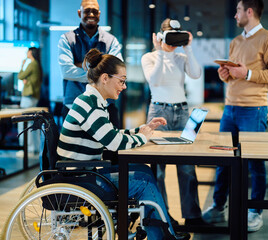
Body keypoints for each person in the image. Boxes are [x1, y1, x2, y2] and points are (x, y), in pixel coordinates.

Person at [57, 48, 190, 240]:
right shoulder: (90, 104)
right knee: (144, 183)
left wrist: (141, 130)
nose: (124, 86)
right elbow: (113, 143)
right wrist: (143, 138)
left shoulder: (94, 101)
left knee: (145, 171)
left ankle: (162, 232)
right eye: (121, 81)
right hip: (82, 178)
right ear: (105, 78)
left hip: (86, 172)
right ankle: (163, 235)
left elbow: (111, 134)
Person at [202, 0, 268, 232]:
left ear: (249, 11)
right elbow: (232, 76)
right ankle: (219, 206)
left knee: (254, 162)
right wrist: (225, 74)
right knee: (222, 160)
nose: (235, 15)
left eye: (238, 10)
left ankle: (254, 211)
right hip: (230, 109)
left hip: (253, 109)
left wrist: (246, 72)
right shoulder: (236, 41)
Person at [141, 18, 206, 226]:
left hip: (183, 111)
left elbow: (196, 74)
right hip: (159, 110)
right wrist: (160, 51)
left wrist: (189, 48)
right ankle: (162, 216)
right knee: (158, 169)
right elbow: (155, 80)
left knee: (187, 167)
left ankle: (193, 217)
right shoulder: (149, 57)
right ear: (160, 36)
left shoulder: (181, 57)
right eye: (168, 36)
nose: (172, 41)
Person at [58, 0, 122, 128]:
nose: (91, 14)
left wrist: (79, 65)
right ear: (79, 13)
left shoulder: (111, 40)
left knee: (109, 147)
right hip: (73, 106)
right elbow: (66, 71)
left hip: (105, 106)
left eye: (94, 11)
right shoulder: (66, 39)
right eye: (87, 11)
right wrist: (101, 72)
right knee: (73, 147)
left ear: (99, 13)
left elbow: (117, 71)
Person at [17, 47, 42, 156]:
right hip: (34, 96)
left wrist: (22, 66)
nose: (26, 53)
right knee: (32, 123)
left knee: (23, 123)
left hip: (28, 96)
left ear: (31, 52)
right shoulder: (37, 64)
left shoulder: (31, 64)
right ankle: (34, 148)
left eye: (27, 51)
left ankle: (27, 149)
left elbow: (20, 76)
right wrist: (26, 81)